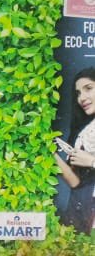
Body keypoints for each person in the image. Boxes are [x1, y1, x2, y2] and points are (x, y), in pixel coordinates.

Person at [56, 68, 95, 234]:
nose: (82, 98)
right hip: (80, 212)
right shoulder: (83, 131)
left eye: (88, 88)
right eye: (78, 93)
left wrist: (92, 161)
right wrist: (51, 155)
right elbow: (75, 183)